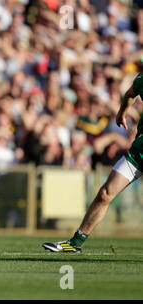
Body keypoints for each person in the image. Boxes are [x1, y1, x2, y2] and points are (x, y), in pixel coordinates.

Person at [42, 72, 143, 253]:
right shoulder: (142, 79)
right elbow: (130, 94)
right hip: (139, 151)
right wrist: (122, 112)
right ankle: (74, 243)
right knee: (105, 194)